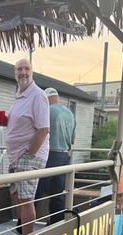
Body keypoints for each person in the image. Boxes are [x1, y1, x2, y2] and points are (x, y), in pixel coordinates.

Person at [2, 58, 49, 235]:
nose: (22, 72)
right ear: (15, 73)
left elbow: (43, 128)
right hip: (16, 155)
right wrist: (8, 121)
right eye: (19, 69)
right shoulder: (20, 95)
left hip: (27, 155)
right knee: (17, 197)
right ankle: (23, 233)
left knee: (26, 199)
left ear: (32, 72)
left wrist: (29, 154)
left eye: (26, 68)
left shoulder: (37, 95)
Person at [35, 87, 76, 224]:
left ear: (46, 99)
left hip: (50, 154)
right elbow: (73, 139)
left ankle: (23, 226)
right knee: (57, 192)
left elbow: (40, 132)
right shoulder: (70, 113)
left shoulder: (47, 111)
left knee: (37, 190)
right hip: (65, 156)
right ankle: (56, 223)